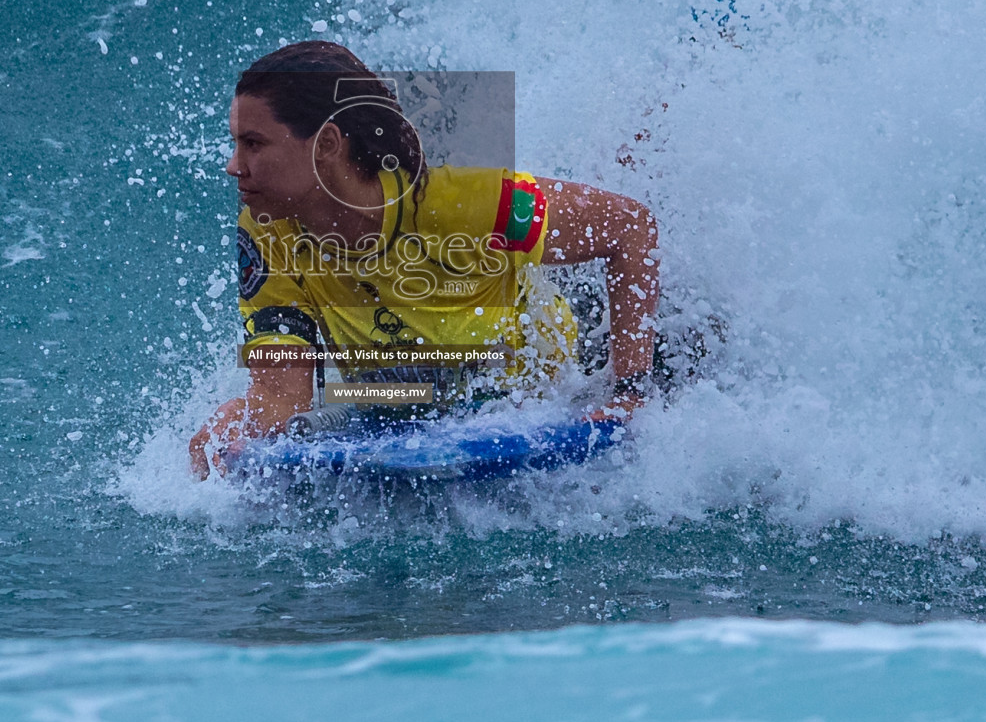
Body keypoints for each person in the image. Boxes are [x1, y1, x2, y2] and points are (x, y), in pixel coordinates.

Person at [189, 41, 658, 479]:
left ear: (327, 145)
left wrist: (630, 391)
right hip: (410, 404)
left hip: (551, 387)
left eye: (253, 143)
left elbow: (631, 228)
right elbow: (282, 396)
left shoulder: (466, 203)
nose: (234, 165)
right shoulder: (267, 233)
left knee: (686, 352)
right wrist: (241, 420)